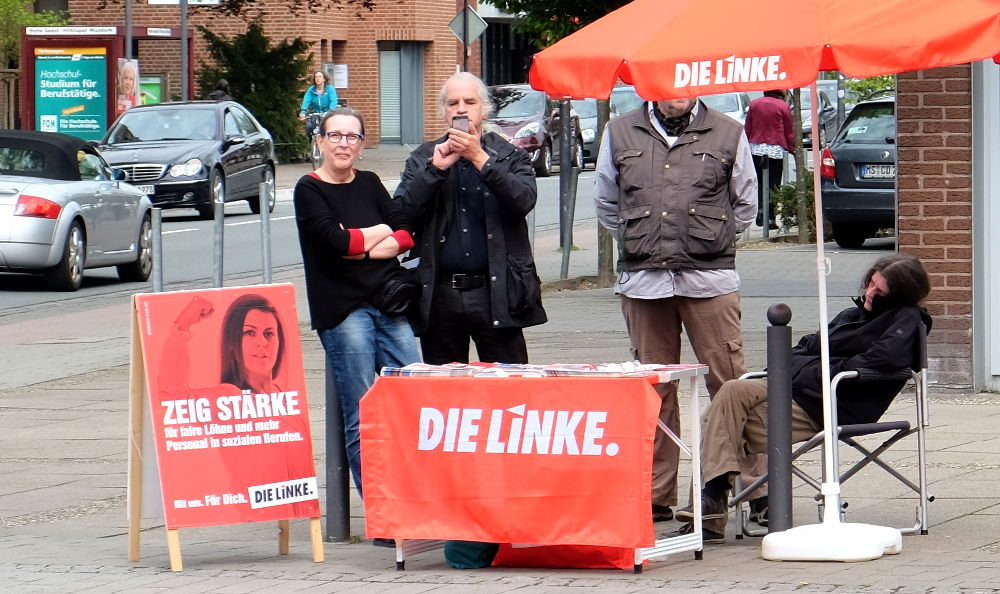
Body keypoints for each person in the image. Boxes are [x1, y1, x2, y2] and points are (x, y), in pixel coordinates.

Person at [675, 253, 933, 542]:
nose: (870, 293)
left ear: (899, 295)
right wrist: (811, 366)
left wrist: (819, 368)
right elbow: (804, 346)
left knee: (717, 421)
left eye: (880, 290)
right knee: (732, 388)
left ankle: (710, 502)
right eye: (870, 283)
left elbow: (880, 360)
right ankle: (715, 501)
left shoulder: (907, 320)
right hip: (793, 385)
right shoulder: (851, 315)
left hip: (827, 403)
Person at [594, 94, 758, 524]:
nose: (673, 94)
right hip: (644, 282)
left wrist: (708, 239)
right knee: (655, 388)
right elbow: (607, 204)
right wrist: (640, 239)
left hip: (710, 279)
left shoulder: (728, 131)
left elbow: (746, 205)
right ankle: (657, 493)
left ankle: (757, 489)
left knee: (731, 385)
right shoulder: (618, 131)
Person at [292, 106, 420, 502]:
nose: (343, 143)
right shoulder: (309, 189)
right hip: (344, 312)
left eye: (352, 137)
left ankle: (415, 500)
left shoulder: (369, 183)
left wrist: (363, 247)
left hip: (389, 305)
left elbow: (406, 232)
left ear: (362, 146)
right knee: (364, 412)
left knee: (414, 397)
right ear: (320, 141)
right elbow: (335, 242)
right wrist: (380, 234)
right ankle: (383, 513)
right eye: (335, 136)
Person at [395, 72, 546, 365]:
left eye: (469, 101)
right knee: (444, 394)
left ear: (484, 110)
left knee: (508, 389)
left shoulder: (509, 155)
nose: (461, 109)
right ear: (444, 112)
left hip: (497, 292)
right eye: (453, 103)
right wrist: (435, 170)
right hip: (440, 295)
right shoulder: (424, 157)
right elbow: (401, 214)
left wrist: (480, 159)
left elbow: (523, 201)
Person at [744, 89, 795, 229]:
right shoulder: (782, 106)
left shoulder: (755, 104)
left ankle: (760, 209)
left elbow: (747, 127)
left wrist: (745, 145)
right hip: (775, 148)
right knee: (774, 184)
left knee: (759, 181)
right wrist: (792, 148)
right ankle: (771, 217)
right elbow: (789, 131)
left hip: (756, 147)